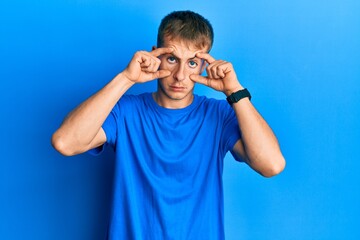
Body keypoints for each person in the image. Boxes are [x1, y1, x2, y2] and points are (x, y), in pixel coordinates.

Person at [52, 10, 285, 240]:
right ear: (156, 55)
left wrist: (235, 92)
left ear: (204, 65)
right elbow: (65, 142)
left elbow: (271, 165)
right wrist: (126, 79)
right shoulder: (126, 112)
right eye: (172, 59)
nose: (180, 75)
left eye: (192, 62)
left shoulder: (219, 115)